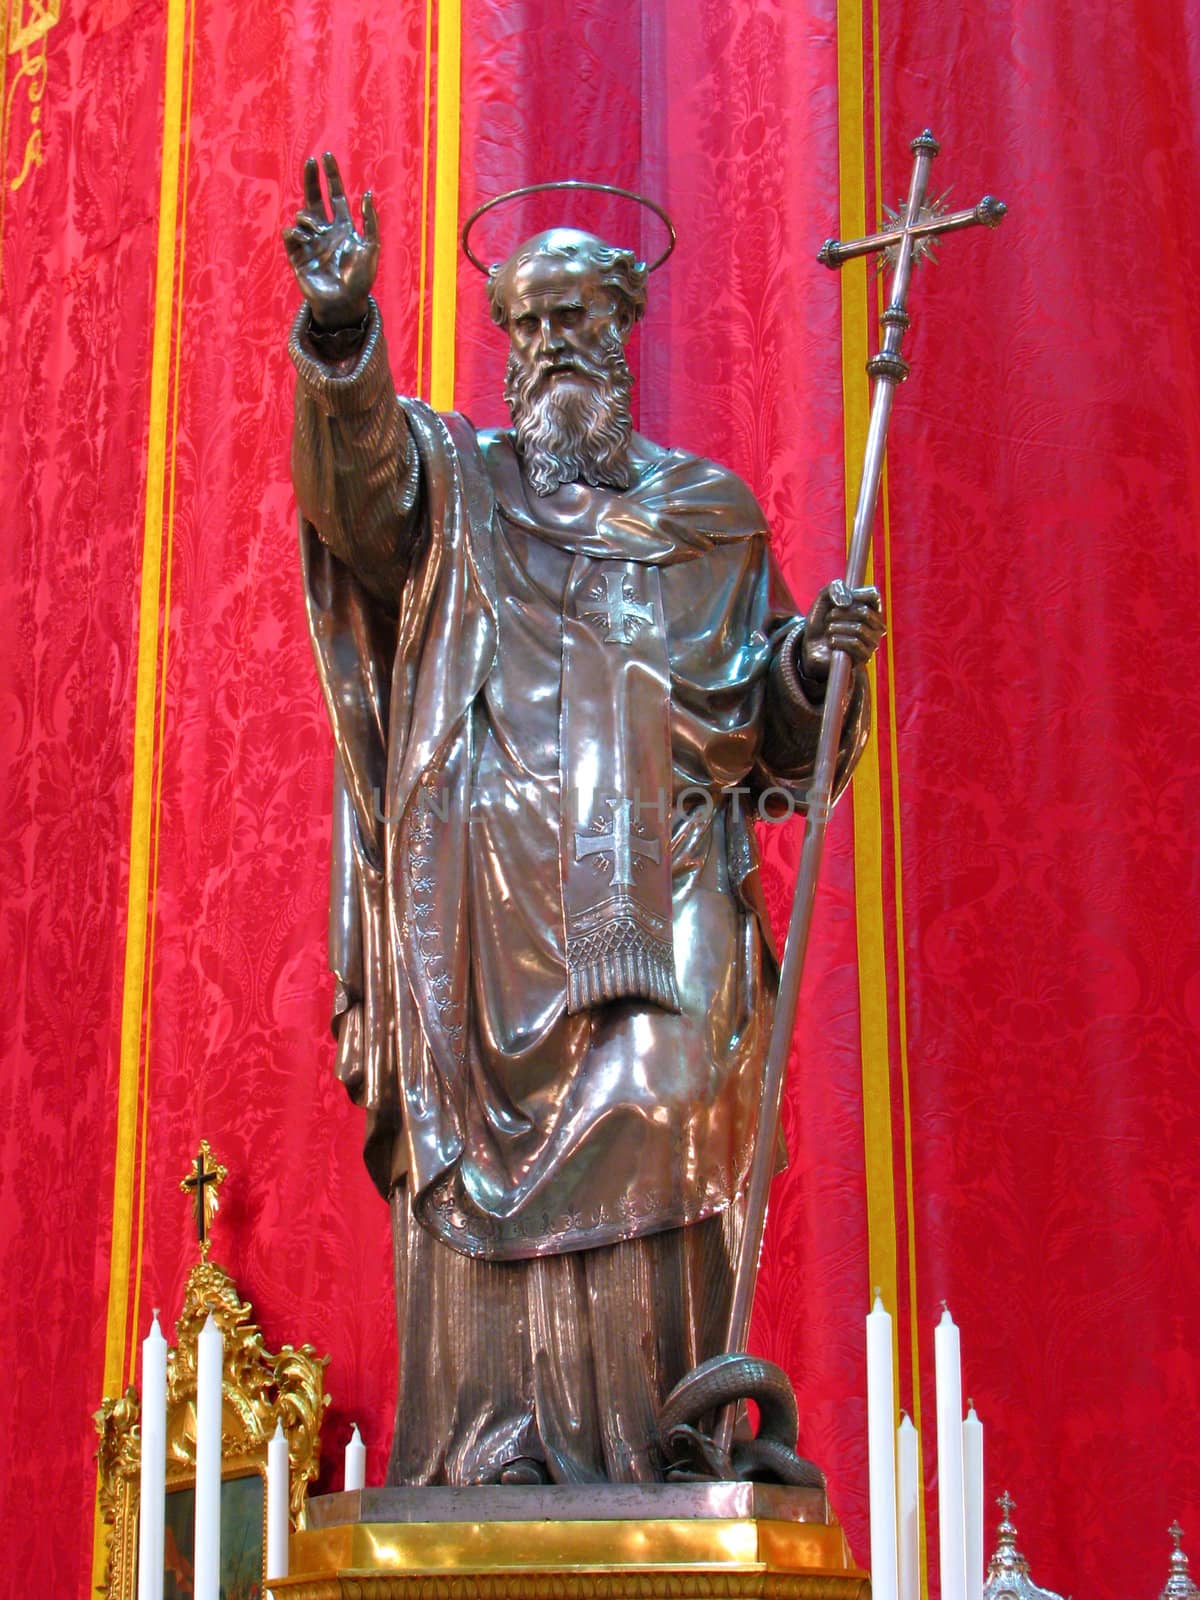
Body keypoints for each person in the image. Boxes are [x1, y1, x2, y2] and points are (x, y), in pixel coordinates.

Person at [284, 153, 885, 1486]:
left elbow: (770, 736)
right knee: (481, 1189)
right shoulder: (463, 489)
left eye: (584, 321)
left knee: (677, 1105)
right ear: (505, 344)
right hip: (486, 913)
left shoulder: (707, 517)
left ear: (626, 333)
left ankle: (664, 1443)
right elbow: (359, 498)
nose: (560, 346)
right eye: (535, 323)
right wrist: (339, 336)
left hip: (665, 896)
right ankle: (498, 1449)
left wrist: (813, 664)